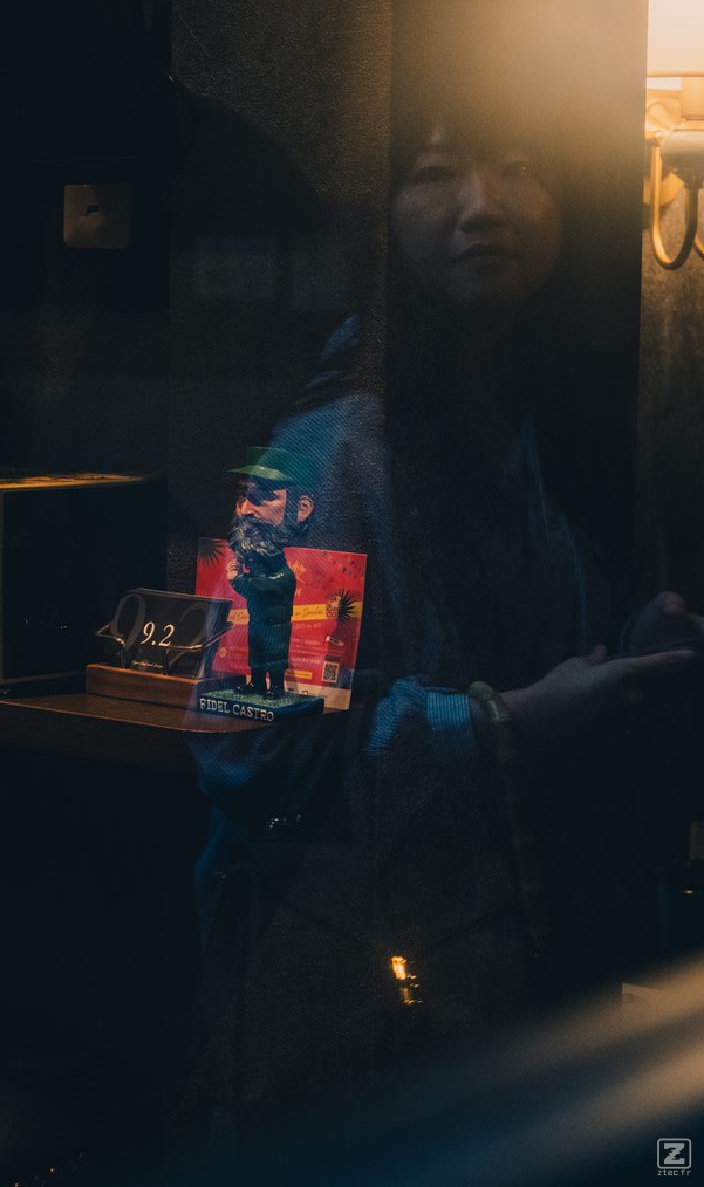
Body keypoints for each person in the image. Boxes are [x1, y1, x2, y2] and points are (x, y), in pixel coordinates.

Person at [177, 84, 703, 1154]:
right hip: (351, 1022)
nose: (482, 204)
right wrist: (511, 722)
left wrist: (627, 653)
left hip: (499, 1003)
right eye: (434, 172)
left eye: (519, 166)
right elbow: (253, 736)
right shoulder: (328, 451)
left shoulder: (524, 418)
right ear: (379, 215)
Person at [226, 447, 315, 696]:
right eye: (243, 497)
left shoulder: (283, 575)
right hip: (257, 622)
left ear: (302, 509)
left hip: (276, 626)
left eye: (263, 497)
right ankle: (256, 684)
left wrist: (238, 580)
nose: (245, 510)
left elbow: (264, 587)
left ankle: (275, 687)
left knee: (275, 656)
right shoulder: (253, 562)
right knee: (256, 655)